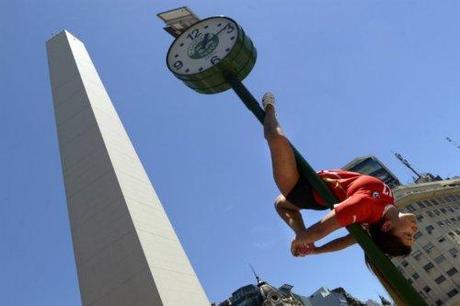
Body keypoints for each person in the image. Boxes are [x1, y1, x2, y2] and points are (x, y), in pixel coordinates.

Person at [260, 92, 418, 258]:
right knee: (280, 203)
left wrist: (302, 240)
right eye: (413, 235)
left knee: (277, 139)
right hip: (319, 185)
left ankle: (269, 108)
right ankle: (302, 233)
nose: (414, 230)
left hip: (303, 190)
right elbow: (351, 240)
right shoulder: (386, 206)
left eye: (408, 235)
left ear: (387, 227)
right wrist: (316, 248)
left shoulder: (366, 205)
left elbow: (322, 229)